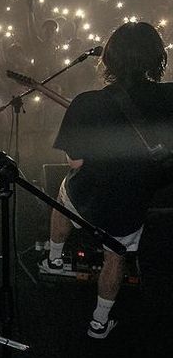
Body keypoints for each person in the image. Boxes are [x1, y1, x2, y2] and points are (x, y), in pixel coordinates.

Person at [40, 22, 173, 338]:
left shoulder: (87, 102)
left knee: (63, 190)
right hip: (135, 203)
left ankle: (54, 259)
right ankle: (99, 323)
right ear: (158, 58)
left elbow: (76, 162)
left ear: (109, 59)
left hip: (89, 199)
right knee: (117, 256)